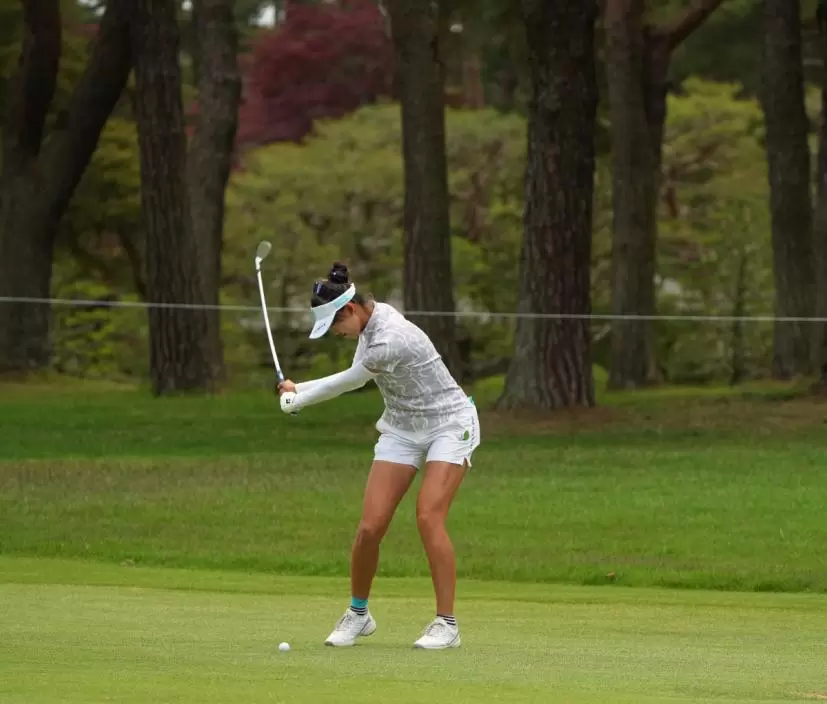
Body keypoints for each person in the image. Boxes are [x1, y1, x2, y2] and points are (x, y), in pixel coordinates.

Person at [277, 262, 481, 650]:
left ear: (350, 310)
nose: (337, 334)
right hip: (403, 426)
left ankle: (447, 624)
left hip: (450, 424)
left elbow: (352, 381)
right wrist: (297, 387)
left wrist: (297, 399)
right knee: (370, 526)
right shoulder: (369, 321)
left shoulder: (391, 337)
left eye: (336, 326)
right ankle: (359, 613)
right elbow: (352, 371)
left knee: (428, 515)